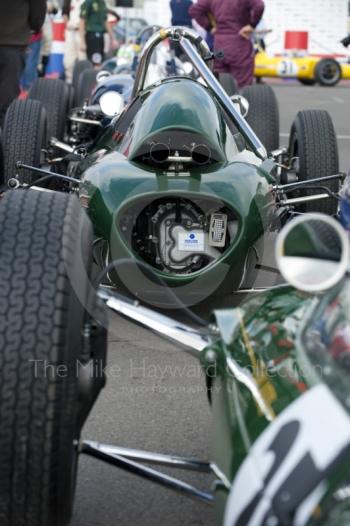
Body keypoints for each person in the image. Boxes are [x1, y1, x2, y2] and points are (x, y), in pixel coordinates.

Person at [189, 0, 264, 89]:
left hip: (219, 44)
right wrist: (252, 25)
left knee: (220, 85)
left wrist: (210, 28)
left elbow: (194, 10)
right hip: (239, 43)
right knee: (244, 86)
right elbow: (259, 5)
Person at [0, 0, 46, 126]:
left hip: (13, 41)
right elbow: (37, 13)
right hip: (13, 42)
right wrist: (35, 26)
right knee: (7, 99)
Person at [79, 0, 117, 66]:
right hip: (92, 35)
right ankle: (93, 75)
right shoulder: (88, 3)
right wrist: (82, 41)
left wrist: (113, 38)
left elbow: (105, 21)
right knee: (94, 61)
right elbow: (82, 22)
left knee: (100, 59)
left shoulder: (102, 3)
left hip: (101, 36)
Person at [62, 0, 86, 82]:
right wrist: (67, 25)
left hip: (82, 32)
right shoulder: (68, 1)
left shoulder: (86, 2)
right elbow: (64, 13)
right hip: (70, 32)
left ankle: (82, 82)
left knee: (82, 58)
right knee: (68, 60)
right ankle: (69, 80)